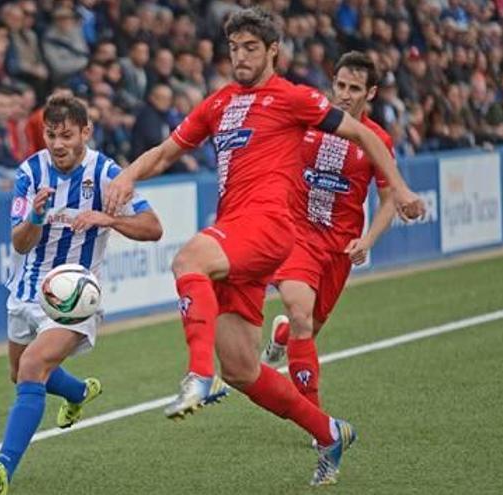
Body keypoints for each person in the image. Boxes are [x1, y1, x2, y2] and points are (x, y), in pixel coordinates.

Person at [104, 8, 425, 485]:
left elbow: (362, 133)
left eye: (251, 47)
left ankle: (197, 375)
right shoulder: (218, 103)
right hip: (237, 232)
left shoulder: (293, 98)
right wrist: (128, 173)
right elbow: (169, 151)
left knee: (188, 259)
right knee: (241, 369)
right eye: (234, 48)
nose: (240, 56)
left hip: (271, 225)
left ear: (273, 51)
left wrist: (397, 189)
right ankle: (330, 431)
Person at [0, 95, 163, 494]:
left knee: (31, 367)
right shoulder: (30, 172)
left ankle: (4, 466)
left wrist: (109, 218)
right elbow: (20, 244)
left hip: (75, 296)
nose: (57, 144)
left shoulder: (107, 173)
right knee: (19, 372)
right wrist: (36, 216)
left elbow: (153, 227)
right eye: (50, 135)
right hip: (26, 291)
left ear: (85, 133)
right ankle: (78, 391)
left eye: (67, 135)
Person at [261, 51, 397, 415]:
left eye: (355, 88)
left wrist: (368, 241)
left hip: (338, 247)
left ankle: (282, 337)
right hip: (296, 235)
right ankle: (315, 420)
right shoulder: (308, 120)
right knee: (302, 316)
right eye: (340, 85)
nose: (345, 94)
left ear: (371, 93)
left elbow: (389, 201)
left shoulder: (376, 140)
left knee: (308, 329)